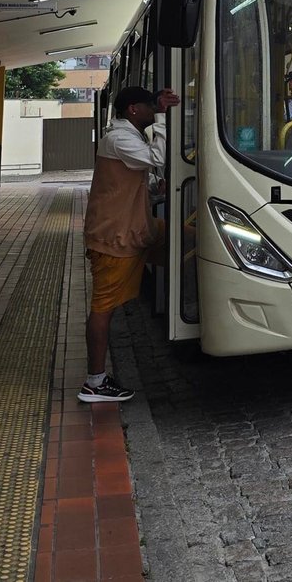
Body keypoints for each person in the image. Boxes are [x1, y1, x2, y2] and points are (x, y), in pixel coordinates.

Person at [79, 84, 179, 403]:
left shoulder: (127, 137)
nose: (153, 109)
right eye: (149, 105)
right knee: (103, 308)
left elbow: (133, 182)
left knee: (193, 242)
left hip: (137, 230)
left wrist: (155, 188)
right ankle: (94, 382)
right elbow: (157, 157)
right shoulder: (119, 138)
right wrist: (164, 116)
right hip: (115, 238)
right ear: (134, 110)